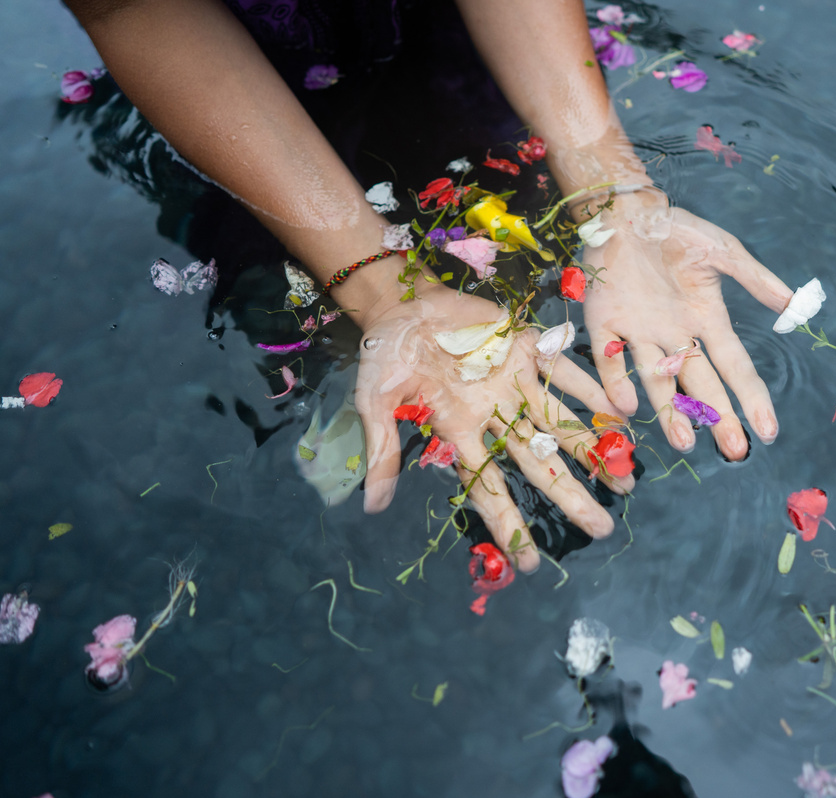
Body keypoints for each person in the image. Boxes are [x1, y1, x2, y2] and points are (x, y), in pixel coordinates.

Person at [64, 0, 795, 571]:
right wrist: (381, 291)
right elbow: (130, 8)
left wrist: (610, 191)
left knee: (519, 228)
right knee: (293, 295)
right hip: (213, 52)